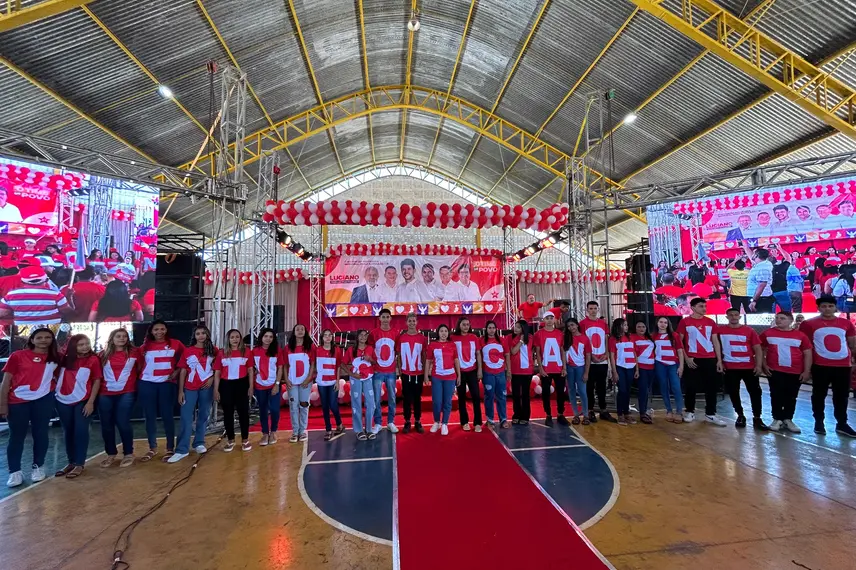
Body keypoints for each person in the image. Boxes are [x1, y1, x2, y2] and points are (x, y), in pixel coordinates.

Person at [0, 328, 60, 487]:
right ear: (32, 340)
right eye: (39, 337)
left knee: (41, 434)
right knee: (16, 436)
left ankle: (38, 467)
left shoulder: (57, 358)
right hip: (17, 402)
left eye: (47, 337)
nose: (43, 340)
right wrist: (3, 405)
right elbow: (5, 382)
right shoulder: (17, 356)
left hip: (43, 401)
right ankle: (15, 472)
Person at [799, 295, 856, 437]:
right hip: (820, 365)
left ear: (835, 307)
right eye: (824, 306)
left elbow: (852, 343)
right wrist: (807, 367)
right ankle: (819, 422)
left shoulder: (846, 323)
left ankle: (842, 423)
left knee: (842, 396)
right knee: (819, 395)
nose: (827, 309)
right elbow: (805, 346)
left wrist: (853, 361)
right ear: (818, 308)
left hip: (843, 366)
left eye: (830, 306)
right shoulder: (808, 324)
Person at [54, 334, 102, 479]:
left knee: (81, 431)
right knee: (68, 431)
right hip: (62, 401)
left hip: (83, 400)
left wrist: (90, 402)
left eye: (87, 343)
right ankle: (71, 462)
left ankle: (80, 463)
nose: (85, 347)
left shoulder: (93, 359)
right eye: (81, 344)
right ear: (73, 346)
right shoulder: (64, 359)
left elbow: (96, 380)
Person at [169, 326, 220, 463]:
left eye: (203, 333)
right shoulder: (188, 350)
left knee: (204, 415)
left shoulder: (214, 350)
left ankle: (199, 442)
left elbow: (218, 369)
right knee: (186, 417)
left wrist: (211, 379)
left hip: (206, 388)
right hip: (190, 388)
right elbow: (183, 371)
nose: (201, 336)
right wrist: (181, 391)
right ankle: (181, 449)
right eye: (198, 333)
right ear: (194, 336)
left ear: (207, 334)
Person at [138, 320, 183, 462]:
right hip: (147, 385)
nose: (159, 332)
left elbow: (185, 359)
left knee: (167, 416)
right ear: (151, 331)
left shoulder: (176, 344)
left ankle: (170, 448)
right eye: (156, 329)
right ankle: (152, 448)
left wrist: (176, 372)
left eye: (162, 329)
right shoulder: (144, 347)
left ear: (166, 330)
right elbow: (139, 365)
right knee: (149, 416)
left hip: (167, 384)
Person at [676, 298, 726, 425]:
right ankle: (690, 411)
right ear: (692, 308)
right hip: (693, 359)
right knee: (691, 386)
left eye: (705, 306)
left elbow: (715, 341)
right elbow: (679, 342)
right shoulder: (684, 322)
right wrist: (686, 358)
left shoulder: (711, 322)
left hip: (709, 359)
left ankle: (710, 414)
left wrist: (719, 360)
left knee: (711, 387)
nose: (704, 308)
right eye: (701, 306)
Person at [761, 311, 811, 434]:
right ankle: (777, 418)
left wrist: (806, 371)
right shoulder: (767, 333)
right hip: (775, 370)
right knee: (776, 395)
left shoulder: (800, 336)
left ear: (790, 321)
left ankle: (788, 419)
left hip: (794, 371)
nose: (778, 320)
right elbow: (760, 349)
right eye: (777, 318)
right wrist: (763, 364)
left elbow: (807, 353)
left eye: (782, 318)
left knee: (791, 396)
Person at [718, 308, 768, 430]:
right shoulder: (720, 331)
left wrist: (758, 365)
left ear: (740, 317)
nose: (734, 317)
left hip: (749, 367)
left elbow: (757, 349)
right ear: (727, 317)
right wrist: (720, 362)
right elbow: (717, 347)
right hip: (730, 367)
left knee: (755, 392)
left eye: (736, 315)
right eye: (731, 315)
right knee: (733, 392)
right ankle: (740, 415)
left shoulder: (749, 330)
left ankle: (757, 417)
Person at [98, 328, 139, 468]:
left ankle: (128, 453)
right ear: (112, 338)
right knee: (106, 425)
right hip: (105, 393)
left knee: (123, 422)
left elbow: (141, 369)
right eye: (118, 336)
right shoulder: (102, 355)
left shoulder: (135, 353)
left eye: (124, 336)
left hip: (126, 392)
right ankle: (110, 453)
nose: (122, 339)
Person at [218, 329, 253, 452]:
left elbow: (250, 370)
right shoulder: (222, 353)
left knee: (243, 413)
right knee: (228, 413)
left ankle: (245, 439)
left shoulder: (247, 352)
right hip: (226, 385)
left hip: (242, 384)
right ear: (228, 339)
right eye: (232, 337)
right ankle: (230, 440)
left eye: (237, 337)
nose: (235, 339)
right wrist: (216, 390)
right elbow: (217, 372)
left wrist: (251, 387)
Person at [0, 265, 72, 325]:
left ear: (22, 281)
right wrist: (69, 297)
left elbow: (2, 313)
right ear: (46, 280)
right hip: (52, 329)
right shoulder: (56, 295)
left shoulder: (11, 295)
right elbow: (68, 312)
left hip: (23, 329)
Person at [579, 301, 615, 423]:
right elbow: (582, 341)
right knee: (589, 387)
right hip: (590, 360)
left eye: (595, 308)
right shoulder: (582, 324)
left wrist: (606, 354)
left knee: (601, 387)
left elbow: (606, 339)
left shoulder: (603, 323)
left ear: (598, 309)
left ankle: (603, 410)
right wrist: (591, 356)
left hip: (602, 360)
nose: (593, 310)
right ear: (587, 310)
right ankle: (590, 410)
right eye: (591, 308)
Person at [425, 324, 460, 436]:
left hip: (450, 377)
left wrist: (459, 375)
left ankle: (445, 423)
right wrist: (426, 375)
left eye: (446, 331)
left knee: (447, 401)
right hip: (437, 377)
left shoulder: (452, 345)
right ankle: (436, 422)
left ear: (448, 333)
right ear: (438, 333)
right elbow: (428, 361)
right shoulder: (432, 345)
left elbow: (456, 360)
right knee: (437, 401)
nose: (444, 333)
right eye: (441, 331)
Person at [282, 324, 314, 443]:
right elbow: (285, 365)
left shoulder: (310, 347)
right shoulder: (288, 348)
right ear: (293, 332)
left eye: (302, 329)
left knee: (304, 405)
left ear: (305, 332)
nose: (300, 331)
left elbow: (313, 364)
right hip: (292, 382)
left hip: (306, 382)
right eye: (297, 329)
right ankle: (295, 431)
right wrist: (286, 379)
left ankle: (302, 431)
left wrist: (308, 378)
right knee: (293, 406)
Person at [368, 309, 399, 434]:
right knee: (376, 398)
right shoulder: (374, 333)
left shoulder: (395, 333)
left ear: (390, 319)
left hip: (391, 371)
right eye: (383, 317)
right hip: (378, 371)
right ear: (379, 319)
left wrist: (398, 367)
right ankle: (378, 423)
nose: (385, 319)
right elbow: (369, 350)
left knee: (392, 397)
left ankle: (391, 422)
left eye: (387, 317)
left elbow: (396, 351)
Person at [534, 312, 568, 426]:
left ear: (554, 320)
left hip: (558, 368)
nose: (549, 320)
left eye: (551, 318)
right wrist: (541, 368)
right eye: (547, 318)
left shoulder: (559, 334)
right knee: (546, 393)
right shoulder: (539, 334)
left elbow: (562, 351)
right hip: (546, 368)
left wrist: (564, 367)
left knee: (560, 393)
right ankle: (548, 415)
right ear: (543, 320)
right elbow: (538, 352)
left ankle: (560, 414)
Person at [452, 317, 483, 431]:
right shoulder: (453, 338)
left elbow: (478, 354)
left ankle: (478, 422)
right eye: (463, 324)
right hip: (459, 372)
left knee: (475, 396)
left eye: (467, 324)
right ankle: (464, 422)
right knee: (461, 398)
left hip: (472, 371)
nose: (466, 326)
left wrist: (479, 370)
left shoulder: (474, 338)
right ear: (459, 325)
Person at [344, 329, 375, 441]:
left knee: (371, 404)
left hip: (368, 378)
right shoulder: (351, 350)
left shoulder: (370, 348)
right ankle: (359, 430)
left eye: (365, 335)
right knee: (356, 404)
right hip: (355, 379)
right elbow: (342, 363)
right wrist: (351, 374)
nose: (363, 337)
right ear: (357, 337)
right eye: (361, 335)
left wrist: (370, 359)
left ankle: (369, 429)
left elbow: (375, 363)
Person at [252, 328, 281, 446]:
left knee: (274, 409)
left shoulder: (277, 351)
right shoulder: (254, 351)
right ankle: (265, 433)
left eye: (271, 336)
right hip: (259, 386)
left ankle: (273, 431)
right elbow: (251, 368)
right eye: (266, 336)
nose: (268, 339)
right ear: (261, 337)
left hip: (273, 385)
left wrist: (277, 384)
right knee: (263, 410)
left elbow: (280, 369)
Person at [397, 313, 426, 433]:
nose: (412, 323)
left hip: (418, 373)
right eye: (410, 321)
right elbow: (398, 356)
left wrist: (424, 372)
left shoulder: (422, 338)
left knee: (417, 398)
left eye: (414, 321)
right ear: (406, 323)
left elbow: (424, 356)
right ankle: (407, 421)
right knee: (407, 398)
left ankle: (418, 421)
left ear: (417, 322)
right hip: (405, 373)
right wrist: (400, 370)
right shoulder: (401, 338)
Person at [315, 329, 345, 441]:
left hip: (332, 382)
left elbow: (338, 366)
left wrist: (337, 382)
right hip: (321, 383)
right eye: (325, 335)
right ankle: (328, 429)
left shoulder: (336, 350)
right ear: (322, 338)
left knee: (333, 405)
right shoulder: (317, 350)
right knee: (325, 406)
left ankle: (339, 424)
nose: (327, 337)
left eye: (329, 335)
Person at [653, 317, 684, 423]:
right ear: (657, 323)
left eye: (665, 322)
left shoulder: (674, 335)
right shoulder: (653, 336)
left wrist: (681, 366)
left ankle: (679, 412)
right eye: (661, 322)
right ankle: (669, 411)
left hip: (673, 365)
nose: (663, 324)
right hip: (660, 364)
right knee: (663, 387)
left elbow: (680, 350)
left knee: (676, 387)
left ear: (668, 324)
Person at [480, 320, 509, 428]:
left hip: (500, 373)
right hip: (488, 373)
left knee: (501, 396)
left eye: (493, 328)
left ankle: (503, 419)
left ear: (496, 329)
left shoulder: (502, 340)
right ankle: (490, 419)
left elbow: (507, 355)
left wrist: (508, 371)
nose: (491, 330)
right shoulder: (481, 340)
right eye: (489, 328)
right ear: (486, 329)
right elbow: (479, 356)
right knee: (489, 396)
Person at [608, 318, 637, 426]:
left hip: (631, 366)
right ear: (618, 326)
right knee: (622, 390)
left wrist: (636, 368)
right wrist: (614, 371)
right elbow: (612, 355)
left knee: (628, 390)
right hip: (620, 366)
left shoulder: (630, 337)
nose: (626, 327)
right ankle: (620, 413)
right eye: (624, 325)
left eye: (626, 325)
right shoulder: (612, 339)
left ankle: (626, 412)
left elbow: (634, 353)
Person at [563, 318, 591, 425]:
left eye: (573, 325)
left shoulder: (585, 338)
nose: (571, 328)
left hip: (581, 367)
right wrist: (564, 368)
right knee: (571, 391)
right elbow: (563, 353)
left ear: (577, 325)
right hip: (569, 368)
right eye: (569, 326)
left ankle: (586, 415)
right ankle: (575, 414)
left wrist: (586, 372)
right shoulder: (565, 338)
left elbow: (588, 356)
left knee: (582, 391)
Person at [508, 319, 533, 425]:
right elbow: (513, 351)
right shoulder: (510, 337)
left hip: (527, 370)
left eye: (518, 327)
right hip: (515, 370)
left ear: (523, 329)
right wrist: (521, 341)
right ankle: (517, 414)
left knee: (526, 395)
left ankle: (525, 416)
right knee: (516, 395)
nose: (515, 328)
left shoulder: (531, 337)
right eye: (515, 326)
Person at [631, 321, 656, 424]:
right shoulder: (632, 338)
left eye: (643, 326)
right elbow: (633, 353)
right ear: (635, 328)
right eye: (639, 326)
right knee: (643, 390)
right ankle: (642, 413)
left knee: (647, 390)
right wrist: (636, 368)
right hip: (641, 367)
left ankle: (645, 410)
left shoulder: (650, 338)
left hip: (651, 367)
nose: (641, 328)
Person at [745, 247, 774, 313]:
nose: (752, 254)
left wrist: (754, 301)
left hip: (760, 299)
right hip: (757, 297)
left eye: (754, 253)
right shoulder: (760, 265)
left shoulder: (763, 267)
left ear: (756, 255)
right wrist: (744, 245)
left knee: (761, 321)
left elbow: (762, 284)